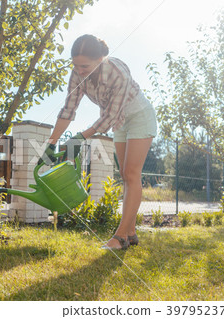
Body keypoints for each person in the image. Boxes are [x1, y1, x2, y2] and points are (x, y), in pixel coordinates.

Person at [41, 34, 157, 250]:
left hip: (139, 115)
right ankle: (131, 232)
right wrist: (51, 143)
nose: (79, 71)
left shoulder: (118, 73)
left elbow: (109, 117)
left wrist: (81, 136)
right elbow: (69, 108)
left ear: (102, 58)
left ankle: (120, 237)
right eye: (75, 65)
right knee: (124, 174)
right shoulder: (78, 74)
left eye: (85, 66)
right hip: (120, 121)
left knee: (132, 173)